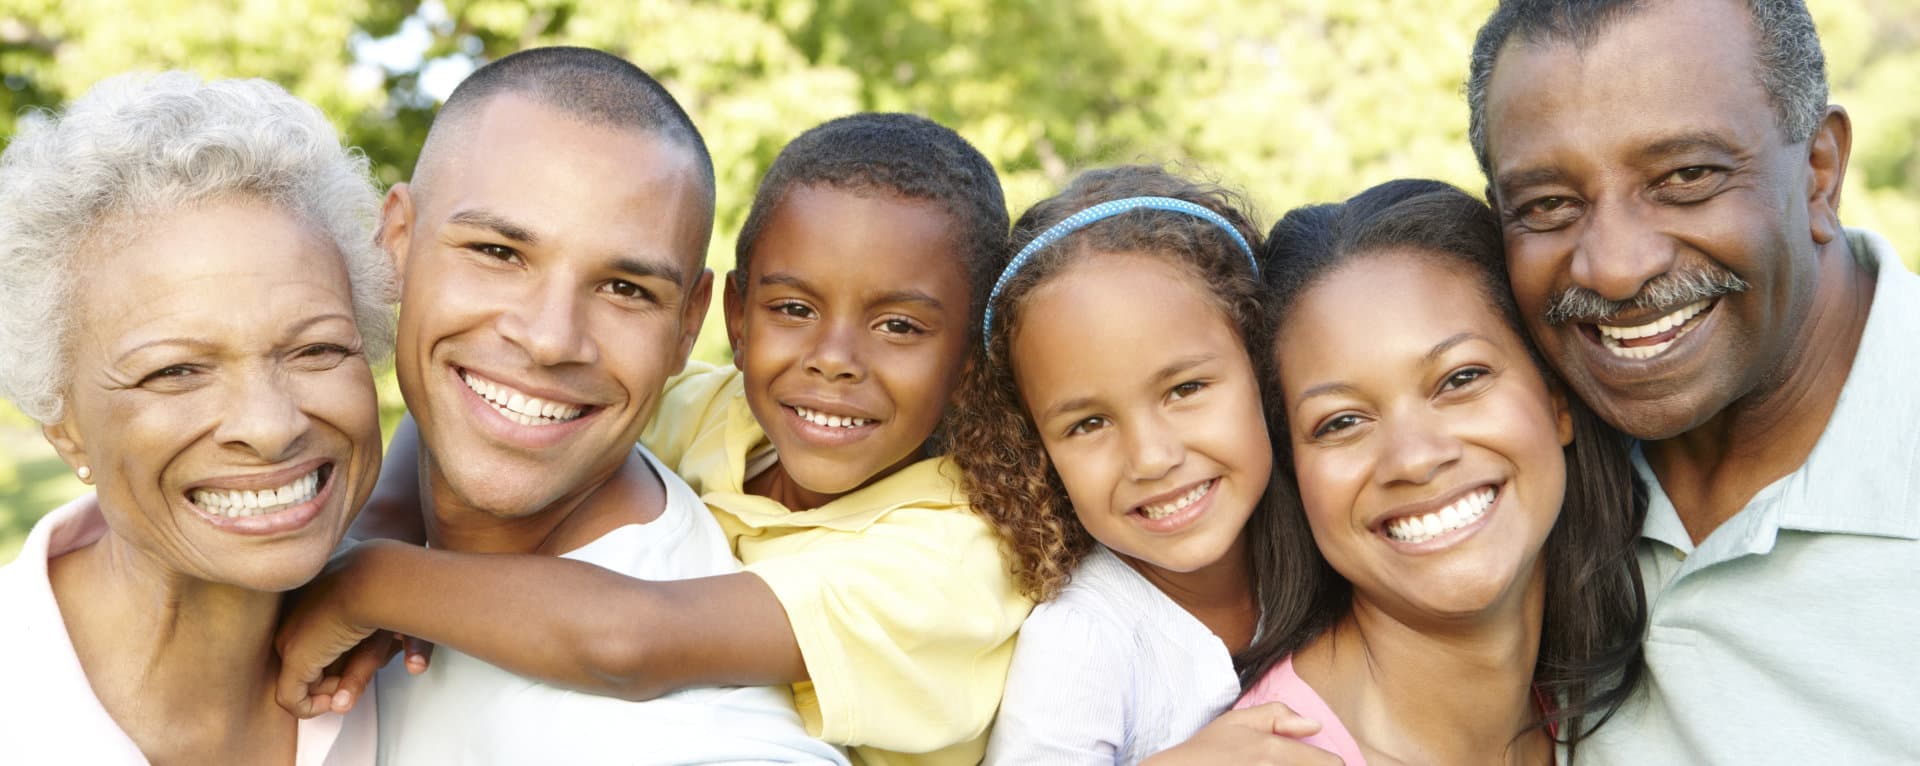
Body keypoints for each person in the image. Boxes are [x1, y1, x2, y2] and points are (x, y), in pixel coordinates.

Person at [276, 102, 1028, 764]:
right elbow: (491, 409)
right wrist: (389, 518)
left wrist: (367, 580)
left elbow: (631, 642)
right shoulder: (720, 414)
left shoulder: (953, 554)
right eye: (793, 309)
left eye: (898, 326)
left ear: (973, 359)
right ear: (734, 319)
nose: (833, 361)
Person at [1468, 0, 1920, 761]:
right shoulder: (1499, 471)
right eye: (1548, 205)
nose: (1613, 267)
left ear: (1819, 171)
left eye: (1687, 176)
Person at [0, 72, 392, 764]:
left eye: (317, 349)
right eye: (177, 371)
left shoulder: (416, 666)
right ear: (62, 424)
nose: (271, 427)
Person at [1231, 180, 1646, 764]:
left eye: (1460, 379)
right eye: (1341, 421)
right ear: (1293, 473)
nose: (1415, 458)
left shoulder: (1594, 709)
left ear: (1557, 399)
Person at [951, 165, 1322, 764]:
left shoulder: (1330, 539)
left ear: (1259, 360)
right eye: (1088, 424)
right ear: (1036, 448)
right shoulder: (1083, 640)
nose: (1152, 458)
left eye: (1185, 389)